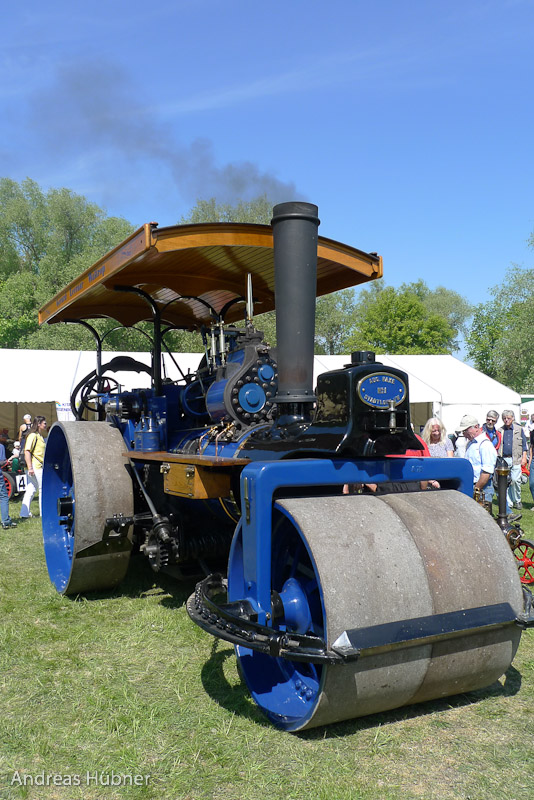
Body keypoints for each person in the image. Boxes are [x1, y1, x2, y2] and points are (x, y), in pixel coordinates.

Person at [457, 414, 497, 502]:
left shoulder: (485, 444)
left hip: (483, 488)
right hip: (471, 485)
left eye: (466, 430)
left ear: (476, 427)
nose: (464, 434)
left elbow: (487, 472)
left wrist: (476, 489)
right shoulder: (470, 443)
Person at [498, 409, 528, 510]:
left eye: (508, 418)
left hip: (516, 459)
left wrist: (524, 457)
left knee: (515, 480)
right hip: (504, 460)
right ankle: (509, 503)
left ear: (513, 418)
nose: (506, 420)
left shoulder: (519, 429)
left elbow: (524, 445)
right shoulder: (500, 430)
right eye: (504, 418)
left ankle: (517, 500)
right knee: (505, 482)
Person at [20, 416, 47, 520]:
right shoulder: (33, 435)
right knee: (42, 489)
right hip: (36, 466)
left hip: (36, 466)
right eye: (44, 423)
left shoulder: (39, 436)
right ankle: (43, 513)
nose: (46, 425)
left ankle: (24, 513)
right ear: (39, 424)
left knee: (31, 489)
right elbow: (27, 451)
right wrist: (30, 467)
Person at [0, 439, 17, 529]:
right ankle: (5, 521)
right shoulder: (1, 447)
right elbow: (1, 462)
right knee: (3, 497)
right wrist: (7, 462)